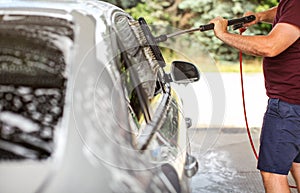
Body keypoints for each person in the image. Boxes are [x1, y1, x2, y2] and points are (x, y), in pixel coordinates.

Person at [209, 0, 300, 192]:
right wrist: (259, 17)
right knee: (298, 163)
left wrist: (223, 34)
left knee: (273, 173)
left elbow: (270, 46)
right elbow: (285, 12)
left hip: (289, 104)